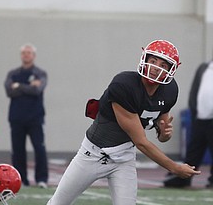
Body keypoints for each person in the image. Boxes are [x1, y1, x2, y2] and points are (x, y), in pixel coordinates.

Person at [46, 40, 201, 205]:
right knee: (58, 203)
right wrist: (174, 167)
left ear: (172, 69)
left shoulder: (170, 90)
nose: (156, 67)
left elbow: (162, 134)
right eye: (153, 61)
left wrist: (164, 133)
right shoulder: (124, 85)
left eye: (163, 64)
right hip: (93, 154)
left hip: (124, 158)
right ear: (145, 59)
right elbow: (141, 142)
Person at [4, 43, 48, 188]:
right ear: (21, 55)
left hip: (35, 118)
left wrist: (19, 86)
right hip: (16, 118)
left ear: (33, 56)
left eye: (29, 53)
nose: (26, 55)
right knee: (18, 150)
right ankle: (21, 179)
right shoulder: (13, 73)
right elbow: (10, 92)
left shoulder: (40, 73)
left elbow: (37, 90)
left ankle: (41, 179)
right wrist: (29, 86)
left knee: (39, 148)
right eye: (24, 53)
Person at [164, 59, 213, 188]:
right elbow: (195, 89)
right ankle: (184, 177)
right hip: (200, 117)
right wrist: (194, 109)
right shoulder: (204, 67)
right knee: (194, 151)